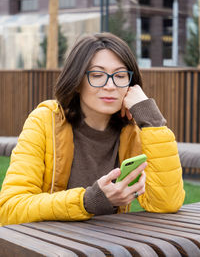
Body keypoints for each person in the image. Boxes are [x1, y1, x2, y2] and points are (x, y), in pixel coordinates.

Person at [0, 33, 185, 225]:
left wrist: (152, 120)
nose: (110, 86)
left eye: (120, 76)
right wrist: (88, 202)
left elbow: (167, 203)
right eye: (97, 75)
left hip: (110, 247)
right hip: (50, 248)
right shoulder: (44, 121)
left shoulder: (134, 131)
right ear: (77, 81)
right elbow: (10, 208)